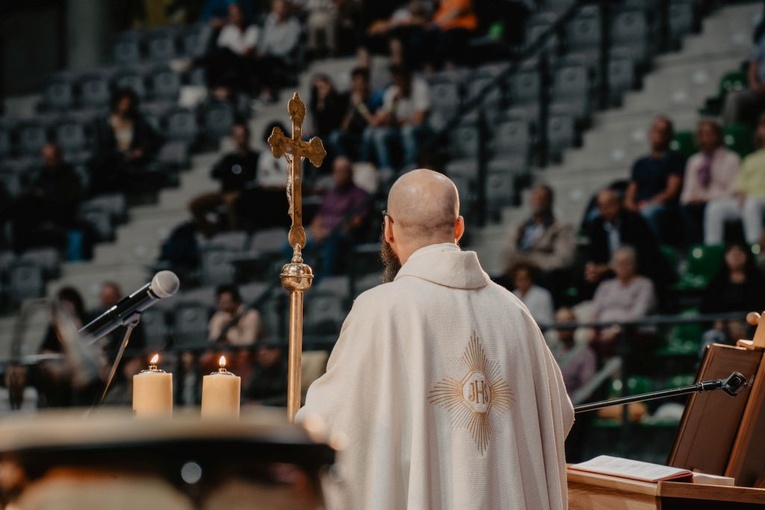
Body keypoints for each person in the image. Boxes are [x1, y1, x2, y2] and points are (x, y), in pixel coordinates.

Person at [298, 169, 573, 510]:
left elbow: (333, 430)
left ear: (387, 229)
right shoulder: (515, 313)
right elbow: (558, 415)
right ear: (459, 228)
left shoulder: (381, 311)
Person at [583, 188, 671, 298]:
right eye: (602, 206)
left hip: (637, 267)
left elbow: (645, 253)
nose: (606, 210)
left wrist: (613, 266)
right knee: (586, 279)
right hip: (609, 271)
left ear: (618, 204)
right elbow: (594, 253)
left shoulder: (634, 221)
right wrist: (592, 267)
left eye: (609, 205)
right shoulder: (596, 225)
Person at [499, 184, 576, 294]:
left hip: (543, 276)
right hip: (517, 272)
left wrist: (531, 261)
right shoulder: (519, 228)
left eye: (543, 198)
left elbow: (563, 260)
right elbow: (506, 255)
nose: (538, 201)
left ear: (550, 202)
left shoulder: (561, 228)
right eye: (536, 197)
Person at [302, 156, 369, 276]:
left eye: (344, 171)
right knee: (292, 244)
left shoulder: (360, 194)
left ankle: (326, 279)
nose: (340, 174)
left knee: (331, 240)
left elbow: (357, 221)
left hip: (342, 235)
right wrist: (316, 231)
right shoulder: (330, 194)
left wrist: (329, 232)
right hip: (322, 233)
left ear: (351, 173)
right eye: (337, 171)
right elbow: (318, 217)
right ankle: (307, 276)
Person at [188, 122, 258, 237]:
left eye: (242, 136)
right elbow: (215, 173)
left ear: (248, 137)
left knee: (230, 201)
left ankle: (234, 235)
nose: (239, 140)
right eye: (236, 137)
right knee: (195, 204)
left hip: (243, 194)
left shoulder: (255, 157)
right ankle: (209, 234)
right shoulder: (229, 158)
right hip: (224, 193)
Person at [11, 143, 84, 253]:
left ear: (58, 157)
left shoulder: (69, 174)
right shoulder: (43, 174)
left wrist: (46, 195)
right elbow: (34, 190)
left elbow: (71, 197)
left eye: (50, 157)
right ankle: (21, 253)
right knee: (21, 207)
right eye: (45, 157)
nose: (47, 160)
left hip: (63, 211)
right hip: (44, 210)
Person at [91, 88, 164, 196]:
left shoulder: (138, 121)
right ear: (116, 103)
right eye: (122, 103)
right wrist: (118, 155)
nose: (125, 107)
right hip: (113, 158)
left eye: (128, 104)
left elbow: (156, 139)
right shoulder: (104, 122)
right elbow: (102, 146)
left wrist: (141, 151)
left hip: (133, 158)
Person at [624, 116, 686, 242]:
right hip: (640, 205)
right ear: (650, 133)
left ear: (669, 136)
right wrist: (631, 205)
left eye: (663, 131)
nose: (659, 134)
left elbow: (670, 192)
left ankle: (653, 250)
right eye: (656, 130)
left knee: (649, 213)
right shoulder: (640, 163)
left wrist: (647, 204)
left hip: (663, 207)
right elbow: (631, 192)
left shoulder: (676, 160)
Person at [589, 247, 656, 360]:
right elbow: (595, 311)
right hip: (603, 332)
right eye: (617, 263)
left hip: (631, 332)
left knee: (616, 343)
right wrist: (590, 329)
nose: (621, 267)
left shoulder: (645, 285)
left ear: (633, 265)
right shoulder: (605, 285)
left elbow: (637, 313)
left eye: (625, 263)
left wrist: (616, 330)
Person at [679, 119, 740, 245]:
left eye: (709, 134)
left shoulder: (731, 158)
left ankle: (712, 247)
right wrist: (692, 199)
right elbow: (686, 194)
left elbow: (733, 190)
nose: (705, 138)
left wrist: (707, 198)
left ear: (718, 136)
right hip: (699, 204)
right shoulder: (694, 161)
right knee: (685, 209)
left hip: (724, 202)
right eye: (701, 134)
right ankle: (694, 250)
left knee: (713, 208)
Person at [366, 64, 431, 172]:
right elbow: (387, 121)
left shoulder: (420, 87)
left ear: (408, 77)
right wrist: (393, 106)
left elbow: (420, 120)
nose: (398, 83)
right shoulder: (392, 92)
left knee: (408, 130)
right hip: (399, 128)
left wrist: (403, 122)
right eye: (395, 79)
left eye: (400, 79)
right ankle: (386, 170)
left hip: (422, 129)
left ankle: (410, 167)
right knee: (379, 135)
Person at [713, 113, 765, 246]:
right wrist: (740, 193)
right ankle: (713, 249)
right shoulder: (749, 159)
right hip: (749, 200)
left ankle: (754, 249)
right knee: (715, 208)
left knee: (751, 204)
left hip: (758, 200)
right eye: (762, 126)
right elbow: (740, 184)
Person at [204, 2, 261, 100]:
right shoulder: (227, 30)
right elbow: (221, 52)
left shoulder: (253, 29)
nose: (236, 17)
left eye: (237, 14)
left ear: (243, 14)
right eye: (233, 15)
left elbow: (246, 52)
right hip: (229, 65)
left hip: (245, 64)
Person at [251, 0, 302, 103]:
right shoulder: (269, 23)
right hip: (268, 58)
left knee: (267, 63)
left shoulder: (293, 24)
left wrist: (270, 52)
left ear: (287, 8)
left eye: (282, 7)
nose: (279, 10)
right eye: (276, 7)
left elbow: (289, 47)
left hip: (284, 59)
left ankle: (267, 92)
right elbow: (265, 41)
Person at [328, 67, 383, 160]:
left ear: (366, 83)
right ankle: (345, 164)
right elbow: (344, 128)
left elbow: (374, 123)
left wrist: (360, 106)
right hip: (353, 134)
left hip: (369, 132)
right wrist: (352, 108)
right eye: (355, 84)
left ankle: (363, 162)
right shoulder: (348, 98)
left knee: (368, 133)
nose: (357, 87)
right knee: (336, 136)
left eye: (360, 84)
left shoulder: (376, 97)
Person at [509, 261, 554, 326]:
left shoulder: (543, 295)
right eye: (519, 279)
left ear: (531, 278)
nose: (522, 282)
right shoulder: (511, 295)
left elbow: (545, 320)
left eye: (525, 278)